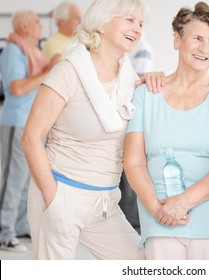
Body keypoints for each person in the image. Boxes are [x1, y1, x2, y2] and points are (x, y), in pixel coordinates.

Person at [21, 0, 147, 260]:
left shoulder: (130, 80)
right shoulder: (67, 72)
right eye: (129, 20)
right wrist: (52, 197)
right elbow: (31, 137)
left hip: (105, 203)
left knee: (139, 263)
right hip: (61, 193)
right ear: (102, 23)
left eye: (141, 23)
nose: (137, 28)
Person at [124, 2, 209, 260]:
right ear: (177, 40)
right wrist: (158, 209)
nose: (205, 48)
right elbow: (133, 161)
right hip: (160, 221)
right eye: (197, 38)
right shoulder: (146, 94)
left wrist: (182, 203)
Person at [0, 10, 60, 252]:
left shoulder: (33, 51)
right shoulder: (14, 51)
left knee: (27, 178)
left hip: (34, 124)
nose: (39, 26)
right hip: (17, 122)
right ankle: (4, 231)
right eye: (36, 22)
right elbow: (16, 87)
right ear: (24, 27)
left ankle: (20, 225)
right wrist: (48, 71)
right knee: (12, 180)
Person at [119, 34, 155, 235]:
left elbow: (138, 87)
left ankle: (132, 224)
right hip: (123, 118)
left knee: (131, 171)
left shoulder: (141, 48)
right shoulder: (122, 52)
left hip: (130, 117)